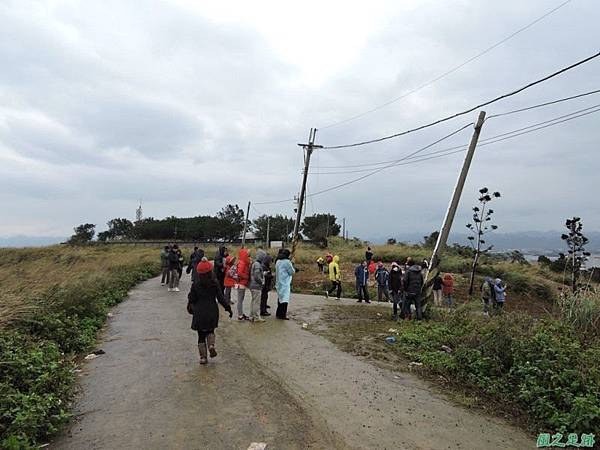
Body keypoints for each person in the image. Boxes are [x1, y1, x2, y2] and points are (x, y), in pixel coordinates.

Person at [188, 258, 233, 365]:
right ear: (210, 271)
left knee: (201, 335)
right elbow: (221, 298)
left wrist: (190, 300)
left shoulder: (196, 284)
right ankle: (211, 345)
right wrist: (228, 308)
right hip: (212, 310)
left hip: (199, 311)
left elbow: (192, 299)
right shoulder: (215, 282)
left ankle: (203, 357)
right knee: (210, 330)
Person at [275, 249, 295, 319]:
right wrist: (292, 264)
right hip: (285, 282)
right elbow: (291, 272)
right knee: (285, 299)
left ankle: (278, 313)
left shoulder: (278, 261)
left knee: (280, 298)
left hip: (278, 282)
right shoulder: (287, 262)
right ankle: (282, 315)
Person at [248, 249, 266, 322]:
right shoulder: (258, 264)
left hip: (252, 285)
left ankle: (251, 316)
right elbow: (256, 276)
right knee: (256, 302)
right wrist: (262, 282)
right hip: (256, 286)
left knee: (253, 301)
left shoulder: (254, 263)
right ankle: (256, 317)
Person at [236, 248, 251, 321]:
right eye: (247, 254)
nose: (249, 256)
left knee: (240, 300)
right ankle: (240, 315)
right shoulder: (242, 263)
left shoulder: (242, 262)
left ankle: (241, 314)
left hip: (241, 283)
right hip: (241, 284)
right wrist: (247, 277)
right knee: (240, 300)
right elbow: (239, 273)